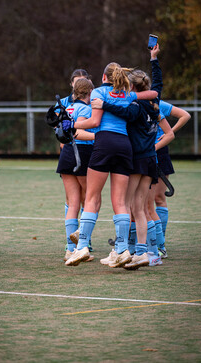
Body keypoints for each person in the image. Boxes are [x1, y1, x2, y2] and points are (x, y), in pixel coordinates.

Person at [63, 62, 158, 267]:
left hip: (104, 143)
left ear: (104, 77)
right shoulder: (127, 94)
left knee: (92, 196)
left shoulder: (98, 92)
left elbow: (95, 123)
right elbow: (152, 94)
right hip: (125, 146)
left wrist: (71, 124)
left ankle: (81, 247)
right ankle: (123, 249)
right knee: (121, 202)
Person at [91, 45, 173, 270]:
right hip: (150, 159)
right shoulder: (154, 104)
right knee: (141, 207)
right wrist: (154, 60)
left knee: (127, 205)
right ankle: (146, 252)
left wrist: (104, 103)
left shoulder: (135, 105)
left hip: (136, 159)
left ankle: (127, 250)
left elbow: (125, 113)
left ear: (133, 86)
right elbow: (158, 86)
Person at [56, 77, 95, 262]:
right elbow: (78, 132)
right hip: (82, 153)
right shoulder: (85, 108)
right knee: (90, 198)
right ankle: (81, 242)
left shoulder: (68, 107)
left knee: (73, 203)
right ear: (89, 92)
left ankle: (70, 250)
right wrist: (99, 136)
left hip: (67, 153)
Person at [152, 101, 191, 256]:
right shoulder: (129, 102)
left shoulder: (158, 104)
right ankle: (135, 242)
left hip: (159, 152)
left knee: (158, 197)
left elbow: (185, 115)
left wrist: (167, 133)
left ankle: (161, 245)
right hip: (138, 153)